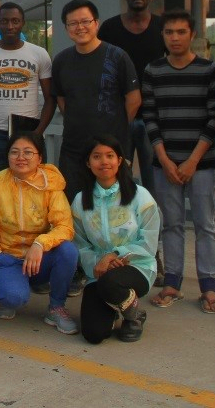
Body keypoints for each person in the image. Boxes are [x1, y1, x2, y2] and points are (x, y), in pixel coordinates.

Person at [142, 7, 215, 312]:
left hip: (200, 164)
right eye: (169, 32)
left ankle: (209, 287)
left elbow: (214, 117)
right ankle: (173, 284)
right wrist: (164, 160)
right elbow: (150, 117)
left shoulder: (209, 70)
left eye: (181, 32)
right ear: (162, 35)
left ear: (192, 34)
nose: (174, 38)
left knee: (205, 224)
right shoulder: (153, 71)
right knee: (171, 224)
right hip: (165, 163)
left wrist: (192, 161)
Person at [0, 132, 78, 333]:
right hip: (7, 256)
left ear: (39, 158)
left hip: (39, 259)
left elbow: (65, 226)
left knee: (68, 251)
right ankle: (8, 289)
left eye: (28, 152)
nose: (21, 157)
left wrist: (40, 243)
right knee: (13, 299)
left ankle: (56, 307)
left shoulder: (50, 183)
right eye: (15, 152)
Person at [71, 134, 161, 344]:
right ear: (88, 163)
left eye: (110, 156)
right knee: (94, 334)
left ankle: (134, 316)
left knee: (110, 282)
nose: (104, 161)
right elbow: (80, 244)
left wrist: (114, 255)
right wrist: (99, 262)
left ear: (119, 160)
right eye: (96, 156)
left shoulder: (140, 196)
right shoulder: (80, 200)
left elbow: (149, 242)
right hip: (99, 270)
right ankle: (117, 305)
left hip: (137, 266)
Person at [51, 0, 141, 201]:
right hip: (73, 149)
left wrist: (115, 124)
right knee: (74, 205)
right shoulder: (61, 60)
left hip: (110, 150)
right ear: (66, 28)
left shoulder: (117, 57)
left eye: (85, 21)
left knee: (115, 206)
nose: (80, 27)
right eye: (73, 23)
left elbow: (134, 99)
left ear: (96, 23)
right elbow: (62, 99)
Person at [0, 2, 55, 176]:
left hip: (29, 133)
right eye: (4, 21)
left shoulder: (39, 54)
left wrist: (37, 133)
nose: (10, 26)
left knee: (33, 185)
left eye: (15, 21)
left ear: (23, 22)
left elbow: (50, 99)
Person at [98, 0, 165, 188]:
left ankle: (153, 211)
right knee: (117, 177)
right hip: (119, 116)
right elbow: (100, 68)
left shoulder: (162, 27)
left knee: (154, 178)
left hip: (153, 116)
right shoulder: (109, 28)